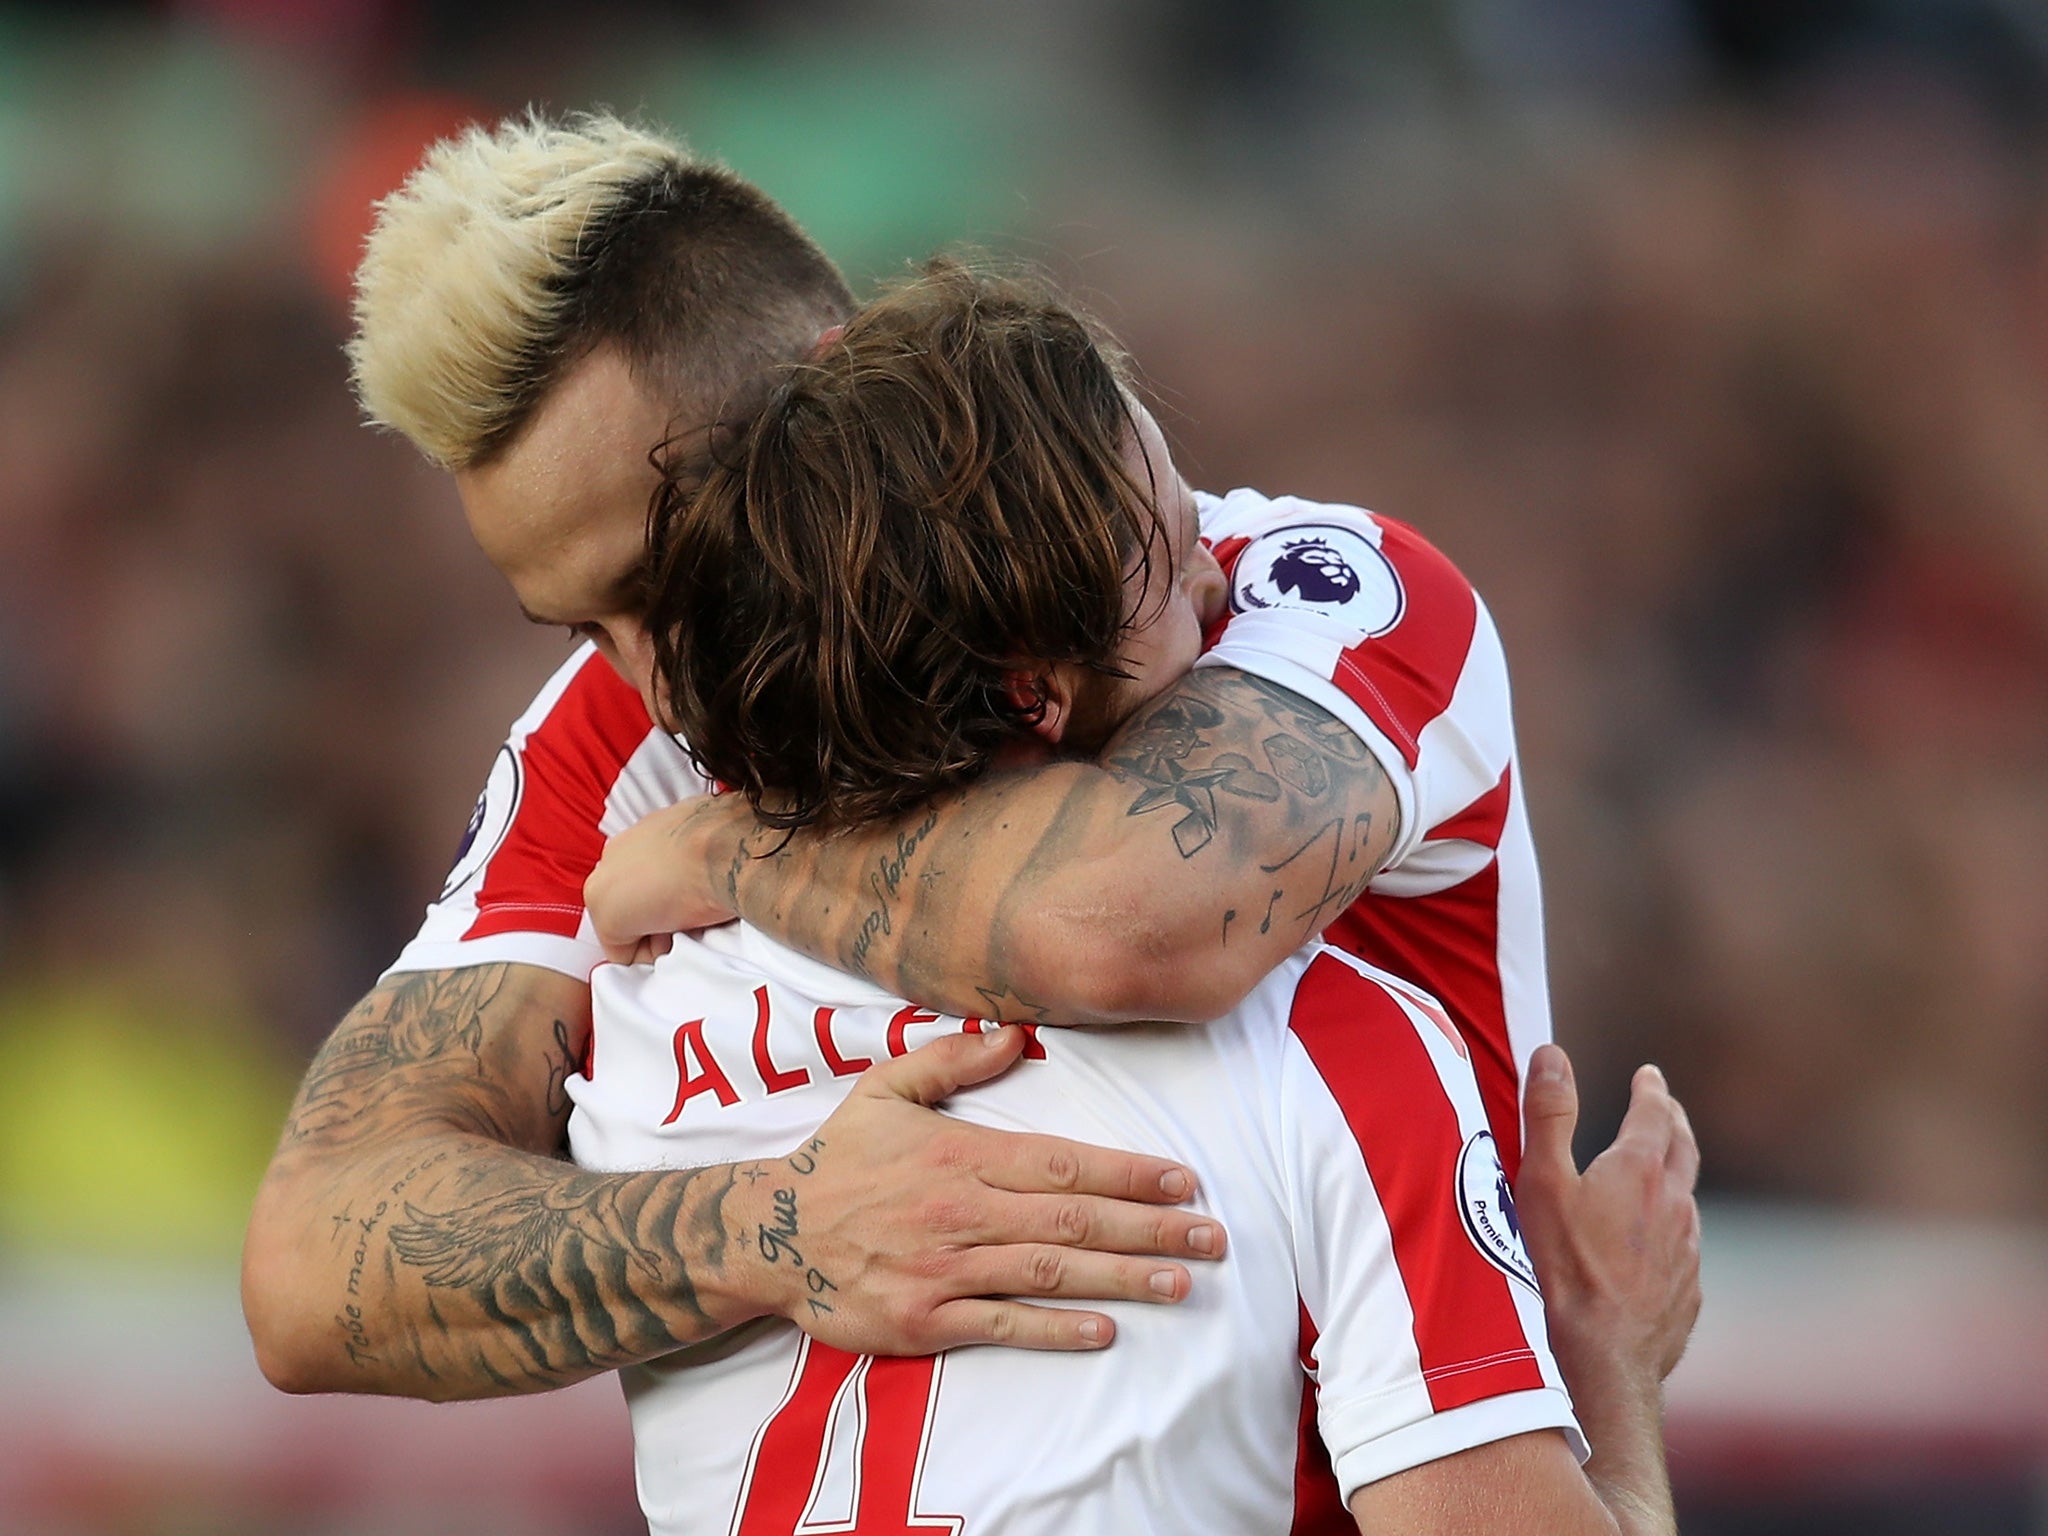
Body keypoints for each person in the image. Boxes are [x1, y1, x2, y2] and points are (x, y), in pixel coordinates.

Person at [242, 112, 1694, 1423]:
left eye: (670, 576)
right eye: (582, 624)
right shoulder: (615, 737)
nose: (656, 685)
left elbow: (1127, 920)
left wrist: (728, 856)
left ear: (827, 406)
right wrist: (774, 1230)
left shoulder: (1289, 598)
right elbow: (314, 1262)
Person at [562, 265, 1694, 1533]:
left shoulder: (642, 1026)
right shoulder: (1334, 1057)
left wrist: (733, 858)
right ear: (1035, 695)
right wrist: (1611, 1361)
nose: (1229, 581)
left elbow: (358, 1293)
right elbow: (1121, 933)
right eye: (1172, 565)